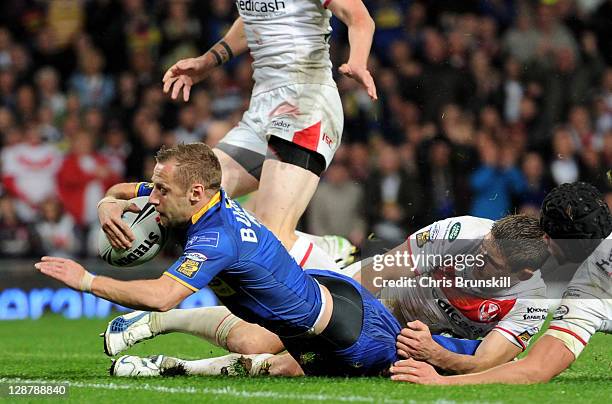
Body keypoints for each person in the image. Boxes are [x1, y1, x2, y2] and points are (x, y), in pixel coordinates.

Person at [37, 143, 400, 377]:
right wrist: (106, 206)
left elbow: (162, 296)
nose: (154, 198)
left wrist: (86, 281)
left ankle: (171, 368)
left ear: (195, 192)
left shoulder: (216, 238)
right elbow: (121, 191)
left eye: (161, 190)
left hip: (344, 335)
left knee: (410, 365)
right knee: (262, 355)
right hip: (322, 301)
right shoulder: (201, 199)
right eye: (155, 186)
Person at [99, 0, 377, 269]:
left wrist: (358, 62)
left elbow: (359, 17)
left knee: (271, 236)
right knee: (188, 198)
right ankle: (324, 250)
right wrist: (207, 61)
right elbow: (253, 20)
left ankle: (361, 284)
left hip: (306, 103)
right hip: (261, 110)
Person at [106, 214, 550, 377]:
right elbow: (379, 272)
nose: (476, 259)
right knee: (259, 338)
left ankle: (169, 369)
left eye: (490, 263)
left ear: (523, 272)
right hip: (382, 303)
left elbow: (486, 363)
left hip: (423, 344)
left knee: (285, 367)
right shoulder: (461, 234)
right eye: (482, 249)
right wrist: (323, 312)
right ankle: (157, 320)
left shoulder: (531, 299)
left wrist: (435, 356)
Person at [389, 182, 612, 384]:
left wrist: (441, 378)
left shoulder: (585, 294)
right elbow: (535, 368)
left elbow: (537, 368)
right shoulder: (584, 292)